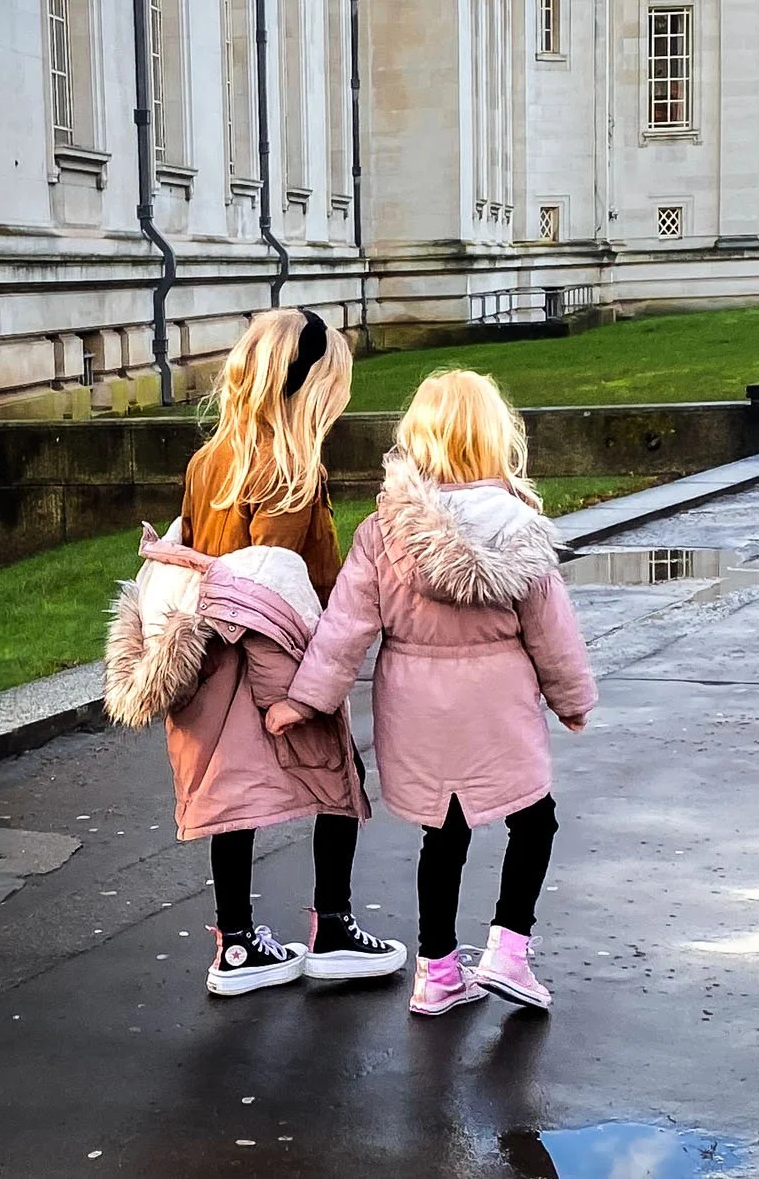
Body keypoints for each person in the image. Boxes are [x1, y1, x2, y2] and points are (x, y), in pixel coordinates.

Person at [268, 369, 596, 1015]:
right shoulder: (519, 528)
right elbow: (552, 633)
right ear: (492, 438)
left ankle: (438, 970)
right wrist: (571, 699)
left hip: (415, 706)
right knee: (535, 819)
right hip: (496, 705)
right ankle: (508, 945)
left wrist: (304, 699)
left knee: (443, 836)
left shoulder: (385, 532)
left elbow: (344, 629)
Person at [145, 308, 405, 995]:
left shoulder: (210, 459)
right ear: (311, 382)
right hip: (272, 653)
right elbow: (278, 588)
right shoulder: (291, 470)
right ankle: (335, 927)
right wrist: (298, 695)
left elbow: (203, 557)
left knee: (233, 796)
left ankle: (236, 944)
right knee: (338, 781)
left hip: (211, 656)